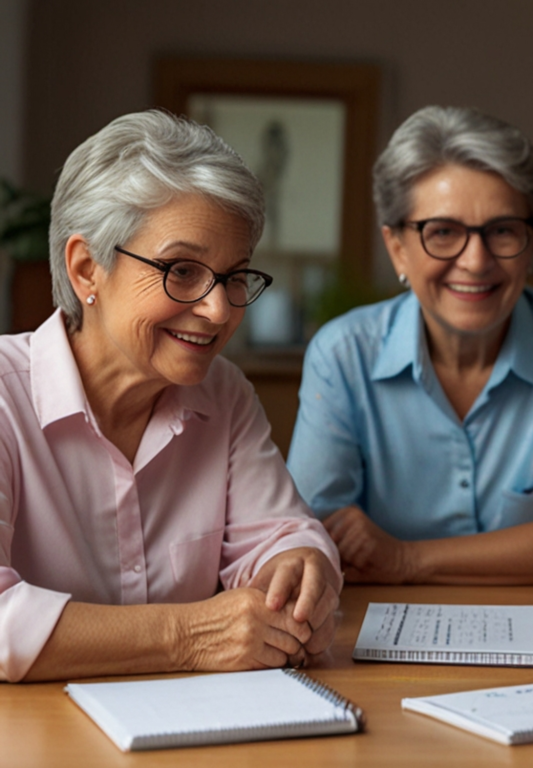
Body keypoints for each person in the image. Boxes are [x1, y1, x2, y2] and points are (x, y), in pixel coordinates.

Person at [0, 110, 342, 683]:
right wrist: (191, 636)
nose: (219, 310)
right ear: (87, 269)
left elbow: (281, 534)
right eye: (182, 270)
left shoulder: (225, 393)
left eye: (234, 277)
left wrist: (300, 568)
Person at [287, 106, 533, 585]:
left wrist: (406, 559)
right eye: (443, 232)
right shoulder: (343, 353)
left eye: (503, 230)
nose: (475, 261)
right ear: (397, 248)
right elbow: (309, 536)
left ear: (532, 245)